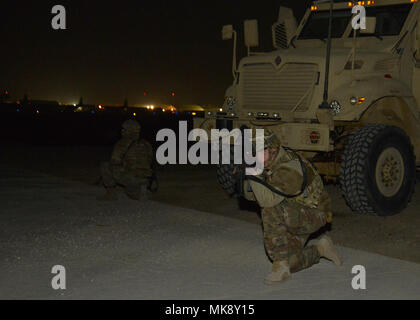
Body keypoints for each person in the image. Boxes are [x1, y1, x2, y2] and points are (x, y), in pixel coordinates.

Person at [242, 129, 342, 285]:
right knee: (293, 262)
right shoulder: (270, 161)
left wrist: (252, 173)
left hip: (314, 214)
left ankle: (280, 267)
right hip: (295, 212)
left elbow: (267, 201)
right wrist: (243, 177)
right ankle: (321, 248)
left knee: (270, 210)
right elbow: (252, 195)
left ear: (272, 149)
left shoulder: (290, 168)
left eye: (257, 153)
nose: (254, 158)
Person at [99, 119, 153, 201]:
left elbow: (114, 161)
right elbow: (150, 160)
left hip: (131, 177)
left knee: (105, 166)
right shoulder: (146, 143)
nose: (122, 131)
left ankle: (111, 194)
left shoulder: (122, 143)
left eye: (124, 129)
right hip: (146, 177)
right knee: (133, 192)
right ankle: (142, 188)